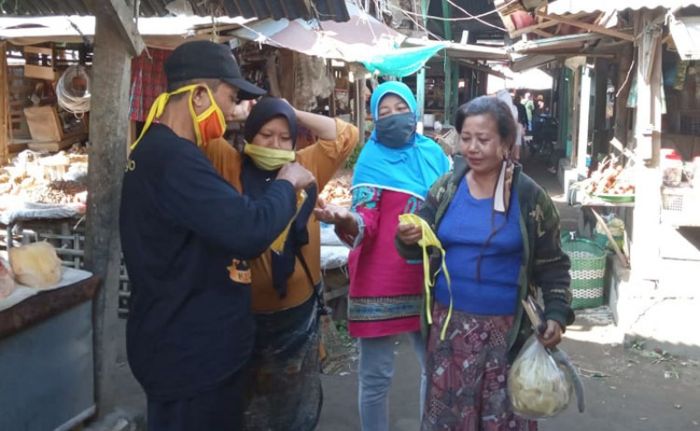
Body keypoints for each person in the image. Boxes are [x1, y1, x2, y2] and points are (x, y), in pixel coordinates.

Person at [119, 40, 315, 431]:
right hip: (189, 356)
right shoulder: (175, 160)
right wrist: (287, 182)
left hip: (181, 344)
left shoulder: (164, 152)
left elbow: (221, 219)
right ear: (197, 97)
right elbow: (248, 230)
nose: (231, 110)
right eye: (229, 96)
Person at [396, 95, 574, 431]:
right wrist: (409, 236)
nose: (473, 148)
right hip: (449, 332)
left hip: (505, 335)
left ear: (506, 142)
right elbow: (419, 235)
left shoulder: (529, 197)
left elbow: (553, 264)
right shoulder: (447, 188)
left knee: (502, 420)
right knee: (449, 419)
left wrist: (556, 314)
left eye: (484, 139)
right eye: (466, 138)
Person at [202, 97, 358, 430]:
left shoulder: (303, 167)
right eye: (266, 135)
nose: (275, 144)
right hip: (240, 314)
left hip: (296, 315)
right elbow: (201, 131)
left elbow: (347, 134)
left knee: (293, 405)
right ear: (250, 136)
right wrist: (233, 112)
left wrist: (289, 109)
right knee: (243, 404)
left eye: (284, 137)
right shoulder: (229, 164)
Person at [314, 81, 451, 431]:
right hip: (379, 280)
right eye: (384, 113)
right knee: (375, 377)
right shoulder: (372, 159)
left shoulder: (433, 154)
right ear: (374, 119)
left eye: (400, 110)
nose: (393, 118)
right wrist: (346, 217)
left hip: (426, 280)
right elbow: (367, 217)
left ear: (414, 111)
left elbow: (448, 209)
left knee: (433, 368)